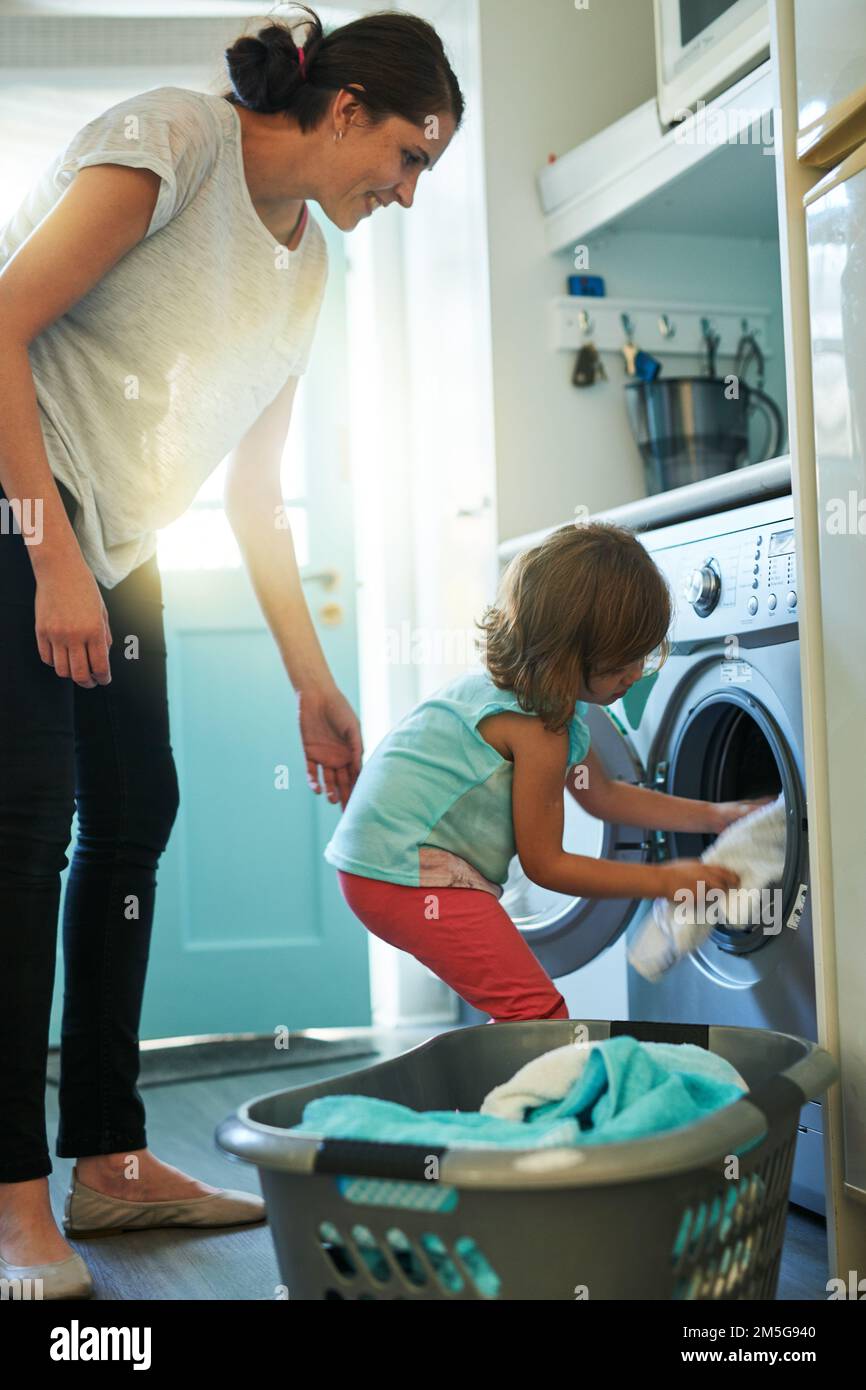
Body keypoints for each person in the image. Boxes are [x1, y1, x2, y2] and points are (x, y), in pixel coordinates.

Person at [0, 4, 464, 1298]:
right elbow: (2, 322)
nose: (411, 193)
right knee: (26, 823)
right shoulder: (174, 142)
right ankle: (12, 1200)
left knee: (136, 803)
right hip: (18, 492)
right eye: (411, 158)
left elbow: (257, 497)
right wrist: (45, 555)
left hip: (114, 526)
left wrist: (313, 683)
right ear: (343, 110)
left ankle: (105, 1153)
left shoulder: (308, 267)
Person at [324, 520, 757, 1023]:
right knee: (537, 1016)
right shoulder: (536, 730)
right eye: (622, 659)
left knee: (525, 1012)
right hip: (401, 872)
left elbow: (607, 795)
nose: (635, 674)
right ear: (567, 652)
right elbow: (546, 865)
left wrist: (718, 815)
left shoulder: (536, 699)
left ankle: (487, 1096)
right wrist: (665, 880)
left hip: (381, 863)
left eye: (641, 655)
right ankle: (492, 1099)